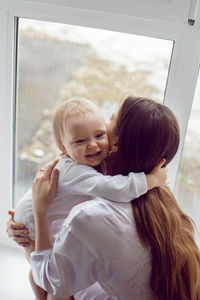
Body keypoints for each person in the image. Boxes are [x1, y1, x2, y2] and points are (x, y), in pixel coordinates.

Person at [9, 96, 199, 300]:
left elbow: (51, 282)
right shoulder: (159, 195)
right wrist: (25, 221)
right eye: (81, 140)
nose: (94, 140)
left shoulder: (94, 213)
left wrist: (39, 211)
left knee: (52, 288)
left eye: (108, 123)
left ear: (115, 144)